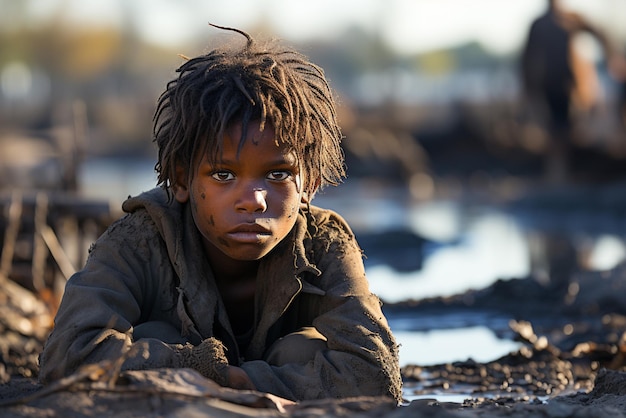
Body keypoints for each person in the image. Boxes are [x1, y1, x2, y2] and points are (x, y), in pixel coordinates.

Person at [38, 25, 403, 403]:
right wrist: (196, 366)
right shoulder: (140, 240)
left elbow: (375, 373)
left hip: (276, 397)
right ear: (181, 180)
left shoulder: (324, 244)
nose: (254, 200)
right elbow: (67, 355)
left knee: (300, 351)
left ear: (308, 184)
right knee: (155, 336)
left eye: (278, 174)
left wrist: (237, 383)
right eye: (223, 175)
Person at [520, 0, 624, 183]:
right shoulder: (538, 25)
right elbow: (527, 60)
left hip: (571, 84)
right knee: (558, 129)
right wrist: (529, 89)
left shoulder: (571, 19)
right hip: (551, 85)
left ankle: (572, 172)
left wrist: (611, 58)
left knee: (568, 128)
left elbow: (600, 34)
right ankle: (560, 174)